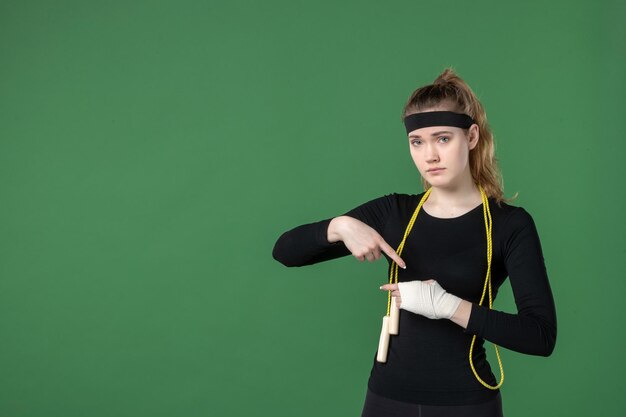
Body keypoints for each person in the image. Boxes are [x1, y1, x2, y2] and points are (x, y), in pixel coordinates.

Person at [271, 68, 557, 417]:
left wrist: (448, 306)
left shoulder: (509, 224)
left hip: (467, 403)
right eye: (417, 141)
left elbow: (541, 336)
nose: (429, 156)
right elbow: (285, 251)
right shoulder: (395, 212)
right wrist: (339, 226)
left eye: (442, 138)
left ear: (471, 136)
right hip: (386, 400)